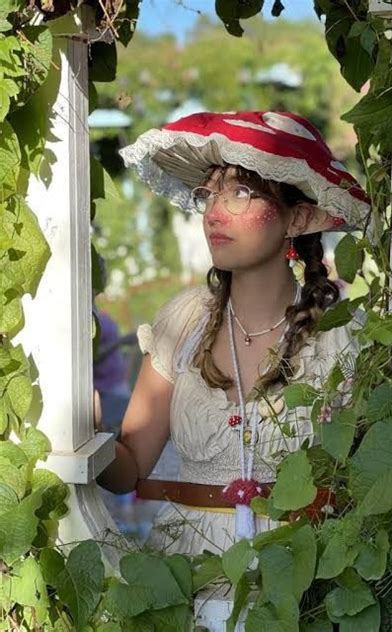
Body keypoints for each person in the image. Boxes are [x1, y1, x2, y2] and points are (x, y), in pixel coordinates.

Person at [96, 111, 370, 556]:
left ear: (297, 219)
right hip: (184, 579)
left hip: (302, 588)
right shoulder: (183, 322)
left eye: (241, 193)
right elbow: (129, 471)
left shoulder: (341, 335)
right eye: (208, 195)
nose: (214, 213)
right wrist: (93, 434)